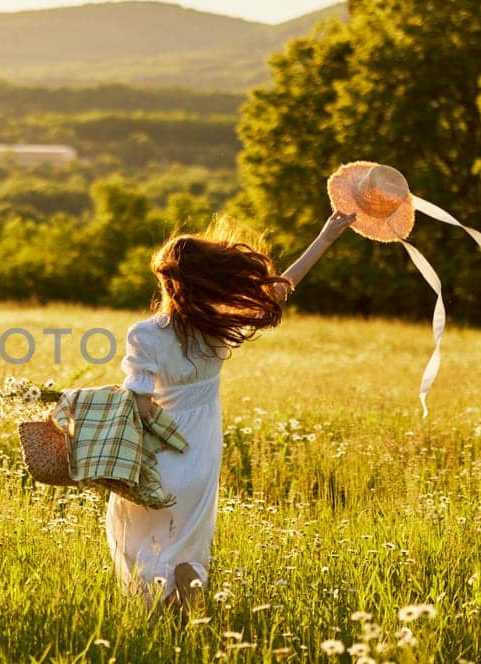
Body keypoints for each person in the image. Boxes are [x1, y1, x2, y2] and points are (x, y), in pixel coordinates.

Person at [105, 210, 357, 612]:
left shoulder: (145, 334)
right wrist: (326, 236)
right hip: (201, 454)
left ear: (167, 281)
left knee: (134, 535)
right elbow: (279, 290)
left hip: (159, 453)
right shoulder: (217, 328)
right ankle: (186, 595)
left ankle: (155, 613)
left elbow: (140, 405)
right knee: (188, 537)